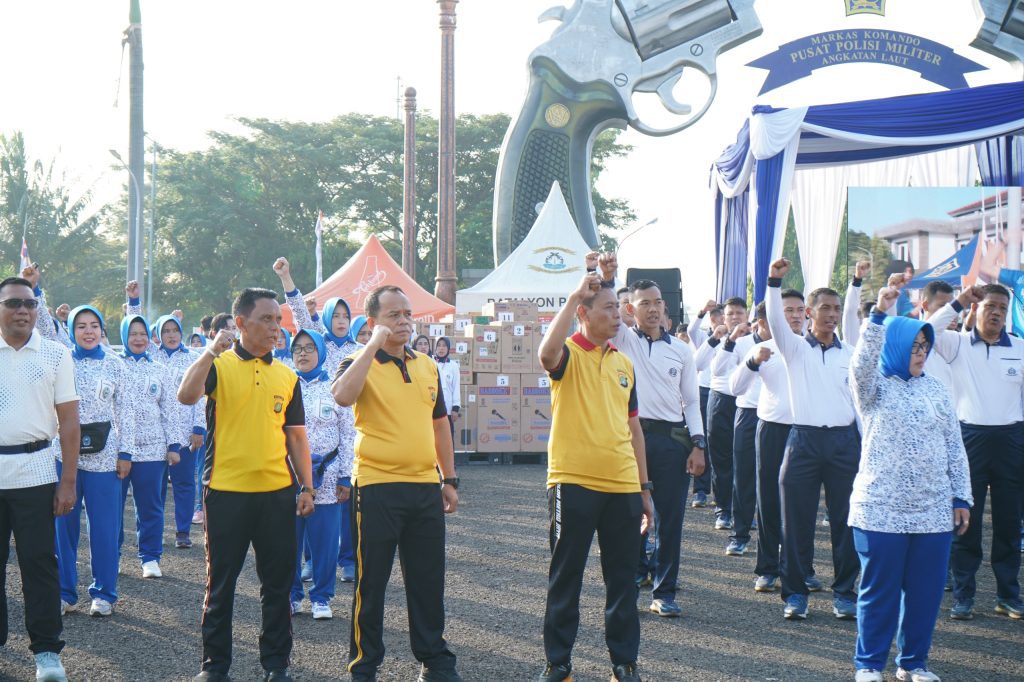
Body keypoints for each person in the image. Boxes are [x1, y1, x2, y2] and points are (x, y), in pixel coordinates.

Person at [178, 288, 314, 682]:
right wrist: (209, 351)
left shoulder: (287, 375)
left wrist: (306, 487)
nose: (277, 327)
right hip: (225, 492)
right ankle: (214, 667)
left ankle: (276, 665)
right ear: (240, 323)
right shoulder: (219, 366)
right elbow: (186, 395)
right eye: (267, 319)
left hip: (276, 493)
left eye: (278, 319)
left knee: (277, 586)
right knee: (220, 585)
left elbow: (296, 437)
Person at [332, 285, 462, 682]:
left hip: (424, 487)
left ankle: (434, 661)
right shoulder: (357, 361)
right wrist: (373, 345)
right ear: (373, 323)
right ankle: (364, 664)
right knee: (370, 583)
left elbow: (440, 425)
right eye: (393, 315)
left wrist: (450, 478)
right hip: (375, 487)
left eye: (407, 313)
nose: (404, 321)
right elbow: (341, 396)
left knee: (427, 582)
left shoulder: (426, 365)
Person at [847, 285, 972, 682]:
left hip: (933, 511)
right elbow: (860, 366)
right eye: (914, 346)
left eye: (925, 346)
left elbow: (954, 445)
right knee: (879, 592)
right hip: (879, 508)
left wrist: (961, 496)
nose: (920, 353)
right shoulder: (873, 388)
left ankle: (913, 663)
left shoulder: (936, 388)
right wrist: (878, 318)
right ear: (898, 346)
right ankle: (868, 666)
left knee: (925, 595)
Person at [535, 271, 654, 682]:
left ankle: (624, 663)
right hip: (573, 482)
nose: (619, 315)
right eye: (609, 308)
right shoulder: (567, 353)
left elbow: (634, 429)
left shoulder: (624, 364)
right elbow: (544, 355)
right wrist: (571, 298)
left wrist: (644, 488)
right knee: (565, 576)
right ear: (584, 314)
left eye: (619, 308)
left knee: (623, 581)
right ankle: (559, 663)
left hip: (622, 485)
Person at [597, 254, 705, 618]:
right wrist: (607, 277)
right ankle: (631, 578)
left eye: (658, 302)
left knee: (670, 519)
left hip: (672, 442)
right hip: (630, 440)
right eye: (646, 303)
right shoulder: (624, 340)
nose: (654, 309)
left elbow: (691, 401)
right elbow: (608, 306)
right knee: (630, 513)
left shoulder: (682, 351)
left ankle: (665, 590)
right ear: (631, 309)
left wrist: (698, 444)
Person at [766, 257, 860, 621]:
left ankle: (845, 593)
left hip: (843, 443)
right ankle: (795, 595)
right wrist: (774, 282)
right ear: (809, 312)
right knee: (796, 521)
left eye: (837, 309)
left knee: (846, 520)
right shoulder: (794, 349)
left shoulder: (850, 355)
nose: (832, 314)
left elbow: (859, 405)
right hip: (802, 441)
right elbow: (775, 320)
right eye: (825, 308)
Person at [925, 283, 1024, 621]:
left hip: (1011, 440)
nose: (996, 312)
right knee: (966, 521)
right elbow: (928, 330)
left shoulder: (1020, 348)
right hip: (969, 439)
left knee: (1010, 523)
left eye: (1001, 307)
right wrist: (958, 302)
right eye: (990, 306)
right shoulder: (958, 346)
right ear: (976, 310)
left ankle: (1008, 595)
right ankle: (964, 595)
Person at [0, 275, 79, 682]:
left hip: (35, 473)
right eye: (13, 303)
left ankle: (47, 652)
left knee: (39, 565)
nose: (23, 311)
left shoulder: (54, 354)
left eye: (29, 304)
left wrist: (67, 481)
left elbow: (69, 422)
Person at [730, 289, 821, 594]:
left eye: (799, 310)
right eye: (787, 311)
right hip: (771, 430)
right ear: (773, 317)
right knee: (768, 500)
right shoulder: (763, 349)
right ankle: (768, 567)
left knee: (804, 506)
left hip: (807, 432)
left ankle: (803, 568)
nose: (794, 316)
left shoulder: (816, 348)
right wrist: (753, 363)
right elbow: (735, 387)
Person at [54, 304, 136, 617]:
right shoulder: (61, 360)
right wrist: (35, 290)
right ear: (72, 330)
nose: (88, 331)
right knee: (64, 528)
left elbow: (125, 411)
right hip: (65, 456)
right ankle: (65, 592)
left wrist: (125, 453)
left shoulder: (115, 364)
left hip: (104, 458)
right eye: (81, 326)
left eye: (94, 325)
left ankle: (104, 593)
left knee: (104, 528)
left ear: (102, 330)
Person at [125, 286, 208, 544]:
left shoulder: (193, 357)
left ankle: (183, 531)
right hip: (155, 436)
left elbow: (201, 394)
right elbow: (133, 328)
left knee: (184, 484)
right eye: (166, 331)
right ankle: (153, 536)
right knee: (155, 490)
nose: (171, 335)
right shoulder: (151, 354)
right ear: (158, 334)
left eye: (175, 330)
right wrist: (134, 300)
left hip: (184, 434)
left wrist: (199, 427)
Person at [288, 329, 353, 619]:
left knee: (325, 542)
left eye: (309, 347)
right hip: (289, 477)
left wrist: (345, 476)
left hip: (327, 477)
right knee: (288, 540)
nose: (302, 353)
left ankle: (322, 597)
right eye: (297, 348)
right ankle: (291, 595)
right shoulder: (286, 384)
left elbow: (348, 434)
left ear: (321, 352)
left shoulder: (336, 389)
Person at [117, 313, 177, 578]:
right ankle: (113, 556)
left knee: (150, 506)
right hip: (116, 450)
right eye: (133, 334)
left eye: (143, 334)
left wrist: (174, 444)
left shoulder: (159, 369)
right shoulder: (114, 365)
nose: (138, 339)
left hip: (152, 449)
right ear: (124, 337)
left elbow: (170, 409)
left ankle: (150, 557)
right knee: (113, 507)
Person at [712, 302, 767, 557]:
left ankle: (777, 545)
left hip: (781, 419)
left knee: (776, 483)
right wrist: (731, 339)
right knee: (743, 477)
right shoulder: (743, 343)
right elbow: (718, 369)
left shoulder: (793, 344)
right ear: (761, 320)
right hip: (747, 412)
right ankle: (740, 535)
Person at [695, 296, 749, 531]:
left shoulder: (755, 340)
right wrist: (716, 338)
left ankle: (745, 512)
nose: (735, 317)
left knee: (746, 462)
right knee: (721, 459)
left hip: (747, 405)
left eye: (739, 313)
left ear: (747, 316)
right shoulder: (716, 339)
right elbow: (697, 363)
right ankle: (724, 510)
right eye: (730, 314)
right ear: (722, 318)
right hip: (719, 402)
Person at [273, 257, 360, 374]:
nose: (341, 321)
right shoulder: (318, 343)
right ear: (327, 319)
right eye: (335, 316)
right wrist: (285, 276)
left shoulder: (360, 350)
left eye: (346, 316)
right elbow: (299, 310)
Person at [687, 300, 722, 509]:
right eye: (717, 317)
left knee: (721, 446)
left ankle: (722, 493)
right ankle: (700, 491)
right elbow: (691, 329)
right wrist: (701, 311)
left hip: (726, 395)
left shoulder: (738, 338)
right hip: (703, 392)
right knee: (703, 442)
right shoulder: (704, 337)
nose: (721, 321)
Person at [434, 337, 461, 441]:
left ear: (448, 348)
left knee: (447, 439)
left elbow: (456, 387)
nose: (441, 348)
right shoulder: (430, 362)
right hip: (433, 407)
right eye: (439, 345)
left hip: (448, 409)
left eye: (444, 345)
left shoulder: (453, 365)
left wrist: (455, 408)